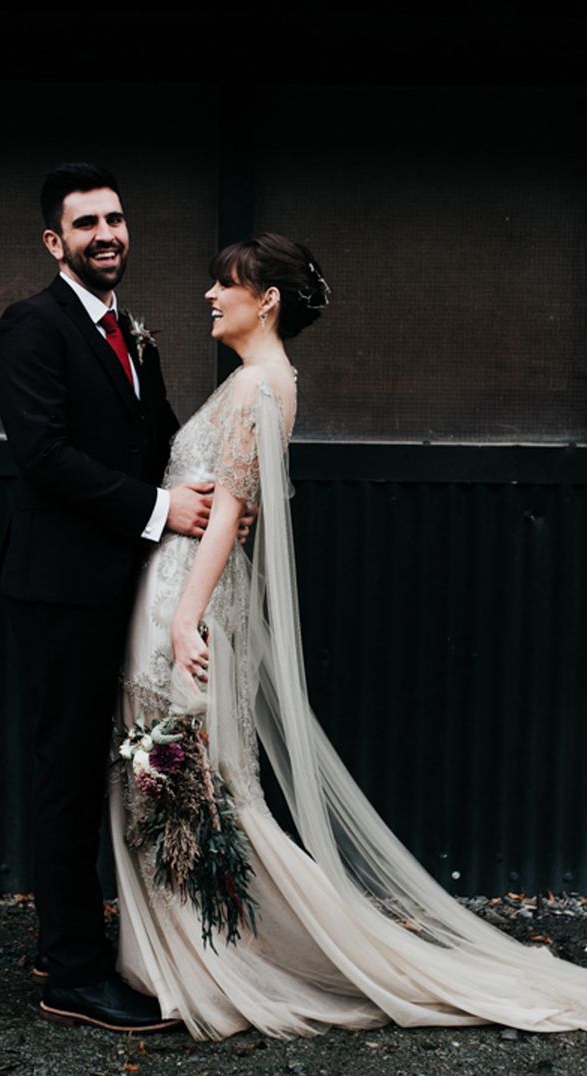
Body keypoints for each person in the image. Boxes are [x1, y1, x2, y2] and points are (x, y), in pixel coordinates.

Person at [105, 232, 587, 1040]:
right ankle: (175, 955)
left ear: (269, 302)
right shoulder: (258, 383)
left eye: (226, 284)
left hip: (183, 602)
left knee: (184, 779)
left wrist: (187, 618)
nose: (209, 296)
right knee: (170, 776)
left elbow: (228, 509)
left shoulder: (261, 386)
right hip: (174, 588)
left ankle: (215, 961)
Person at [0, 163, 236, 1032]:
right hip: (60, 589)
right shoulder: (31, 326)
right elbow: (45, 456)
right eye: (87, 223)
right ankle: (71, 972)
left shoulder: (135, 336)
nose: (107, 234)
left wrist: (222, 482)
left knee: (112, 769)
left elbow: (159, 438)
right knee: (66, 774)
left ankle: (80, 939)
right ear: (55, 242)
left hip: (124, 586)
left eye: (117, 220)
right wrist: (165, 512)